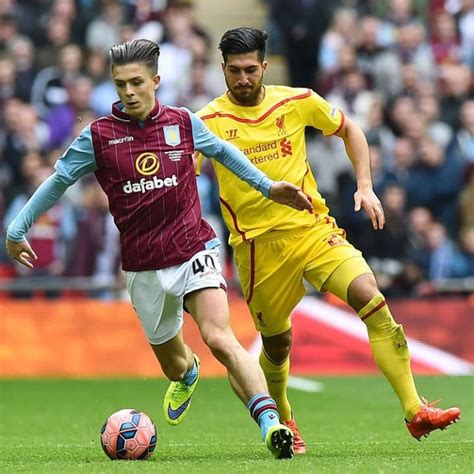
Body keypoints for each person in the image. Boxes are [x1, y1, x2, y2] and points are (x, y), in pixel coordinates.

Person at [5, 39, 316, 459]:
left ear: (155, 80)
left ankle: (270, 424)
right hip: (143, 268)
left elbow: (223, 152)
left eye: (136, 82)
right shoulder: (97, 137)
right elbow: (58, 180)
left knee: (221, 338)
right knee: (173, 364)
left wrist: (267, 186)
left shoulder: (183, 123)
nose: (128, 91)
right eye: (120, 84)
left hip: (194, 248)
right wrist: (17, 228)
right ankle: (187, 372)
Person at [196, 27, 461, 454]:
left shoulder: (297, 101)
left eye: (250, 70)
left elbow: (351, 130)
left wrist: (365, 185)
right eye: (233, 71)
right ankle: (283, 414)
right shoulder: (207, 121)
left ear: (264, 66)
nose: (242, 79)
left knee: (369, 295)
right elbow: (183, 176)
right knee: (277, 343)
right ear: (222, 69)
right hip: (258, 248)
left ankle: (415, 411)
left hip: (313, 229)